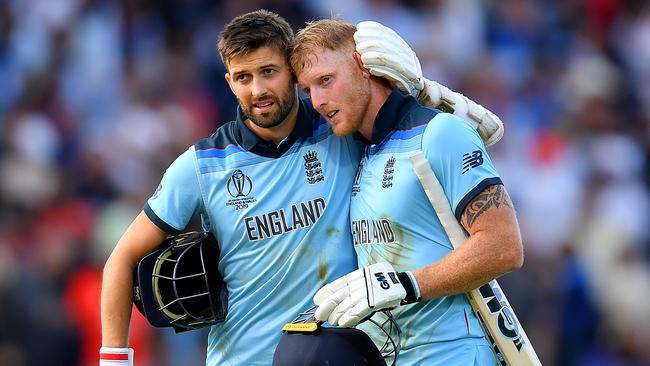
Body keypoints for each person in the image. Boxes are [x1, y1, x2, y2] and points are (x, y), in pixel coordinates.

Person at [100, 10, 504, 366]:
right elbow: (123, 258)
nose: (257, 89)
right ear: (229, 82)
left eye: (269, 72)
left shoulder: (339, 128)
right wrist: (115, 358)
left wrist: (434, 98)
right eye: (243, 77)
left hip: (335, 354)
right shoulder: (202, 165)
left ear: (293, 74)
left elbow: (385, 105)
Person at [291, 19, 524, 365]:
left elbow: (504, 247)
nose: (319, 101)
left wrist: (406, 283)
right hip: (390, 355)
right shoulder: (359, 150)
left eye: (326, 80)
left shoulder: (438, 134)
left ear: (364, 67)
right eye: (308, 89)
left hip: (453, 351)